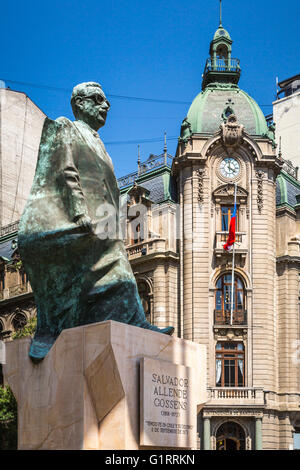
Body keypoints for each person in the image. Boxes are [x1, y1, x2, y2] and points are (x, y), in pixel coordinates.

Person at [18, 82, 174, 362]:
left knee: (117, 267)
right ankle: (50, 330)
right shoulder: (66, 127)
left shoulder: (100, 145)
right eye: (98, 100)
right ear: (79, 103)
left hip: (100, 225)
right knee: (115, 259)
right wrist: (79, 213)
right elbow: (65, 171)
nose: (106, 106)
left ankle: (132, 321)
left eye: (107, 102)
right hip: (68, 221)